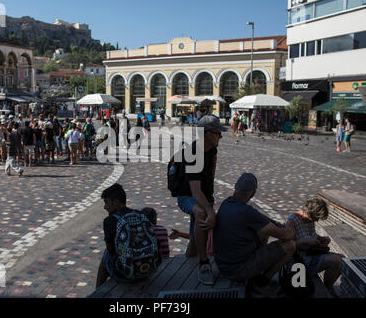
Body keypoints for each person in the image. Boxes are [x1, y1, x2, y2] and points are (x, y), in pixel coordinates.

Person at [213, 173, 296, 295]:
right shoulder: (247, 212)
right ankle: (262, 282)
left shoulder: (227, 203)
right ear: (253, 194)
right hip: (237, 269)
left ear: (235, 187)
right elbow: (285, 236)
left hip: (223, 264)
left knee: (263, 231)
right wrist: (291, 226)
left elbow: (261, 219)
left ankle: (257, 272)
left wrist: (275, 223)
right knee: (290, 245)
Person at [171, 115, 225, 285]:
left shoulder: (213, 150)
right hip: (186, 196)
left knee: (197, 235)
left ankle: (190, 259)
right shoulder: (193, 153)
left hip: (201, 195)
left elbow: (210, 178)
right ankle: (204, 264)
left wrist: (210, 200)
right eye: (218, 133)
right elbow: (194, 191)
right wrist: (210, 211)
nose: (220, 137)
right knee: (201, 214)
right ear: (208, 134)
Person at [96, 184, 158, 288]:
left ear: (115, 202)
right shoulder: (140, 215)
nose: (105, 207)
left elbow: (111, 251)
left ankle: (96, 291)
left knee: (106, 255)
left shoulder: (110, 221)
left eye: (106, 202)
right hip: (148, 269)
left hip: (125, 274)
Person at [285, 198, 344, 295]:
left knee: (343, 259)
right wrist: (305, 242)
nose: (316, 221)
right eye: (316, 218)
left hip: (312, 254)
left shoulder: (309, 219)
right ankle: (327, 290)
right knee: (336, 261)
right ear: (309, 212)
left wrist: (320, 238)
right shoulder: (292, 221)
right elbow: (287, 246)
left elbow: (311, 234)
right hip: (301, 260)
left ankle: (328, 288)